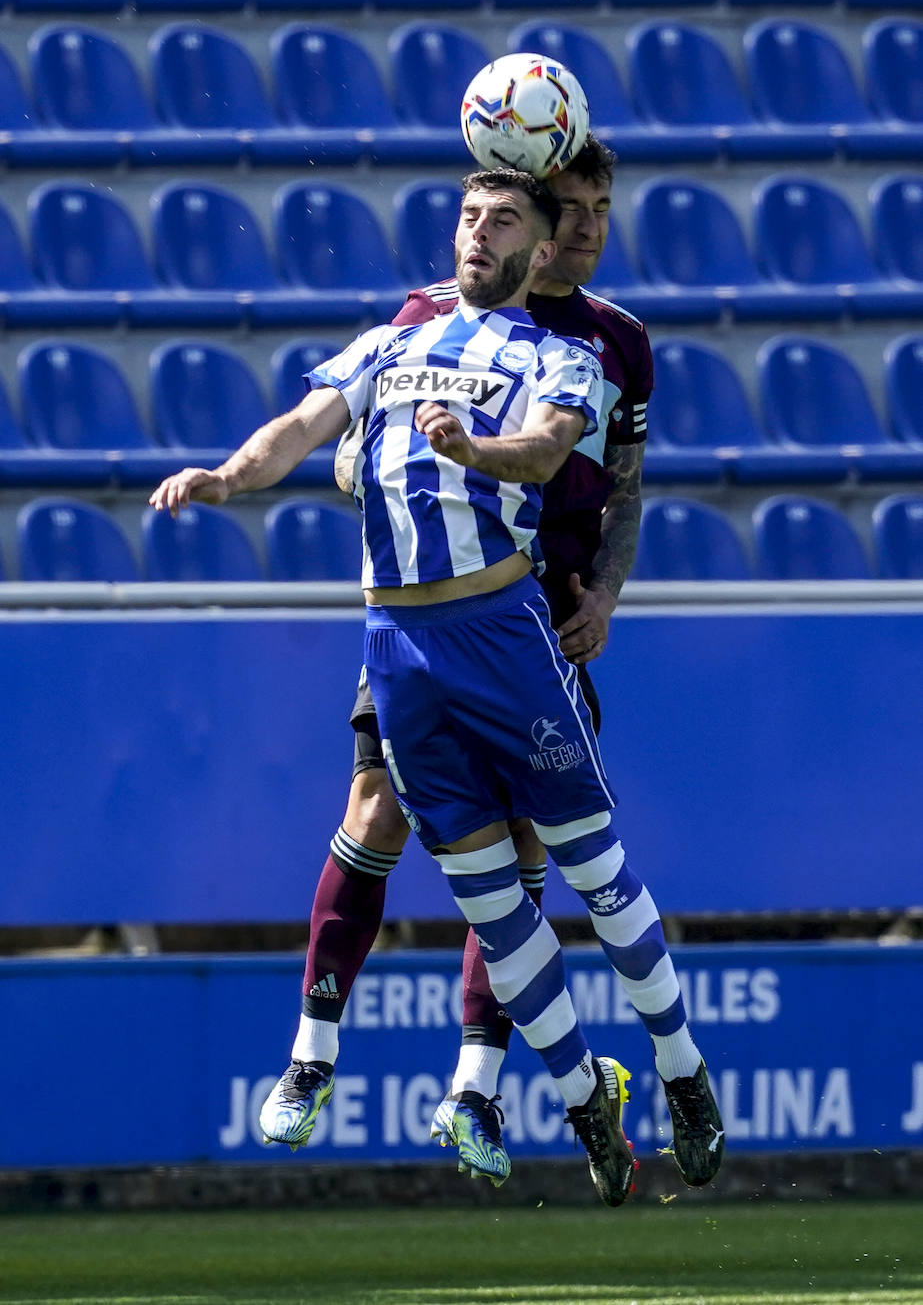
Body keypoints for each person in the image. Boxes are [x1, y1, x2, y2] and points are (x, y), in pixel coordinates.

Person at [150, 168, 721, 1208]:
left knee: (591, 871)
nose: (475, 232)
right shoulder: (393, 338)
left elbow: (549, 455)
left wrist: (476, 449)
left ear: (535, 244)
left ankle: (681, 1071)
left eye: (501, 218)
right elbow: (300, 423)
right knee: (493, 904)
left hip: (501, 635)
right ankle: (578, 1098)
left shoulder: (560, 356)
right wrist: (227, 476)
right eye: (466, 215)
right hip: (397, 650)